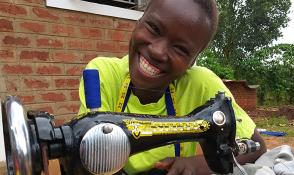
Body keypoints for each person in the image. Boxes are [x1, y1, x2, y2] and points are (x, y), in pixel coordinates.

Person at [78, 0, 267, 174]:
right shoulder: (102, 75)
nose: (158, 51)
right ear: (138, 22)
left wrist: (195, 165)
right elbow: (89, 152)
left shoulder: (201, 85)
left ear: (192, 61)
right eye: (153, 28)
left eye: (180, 49)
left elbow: (256, 145)